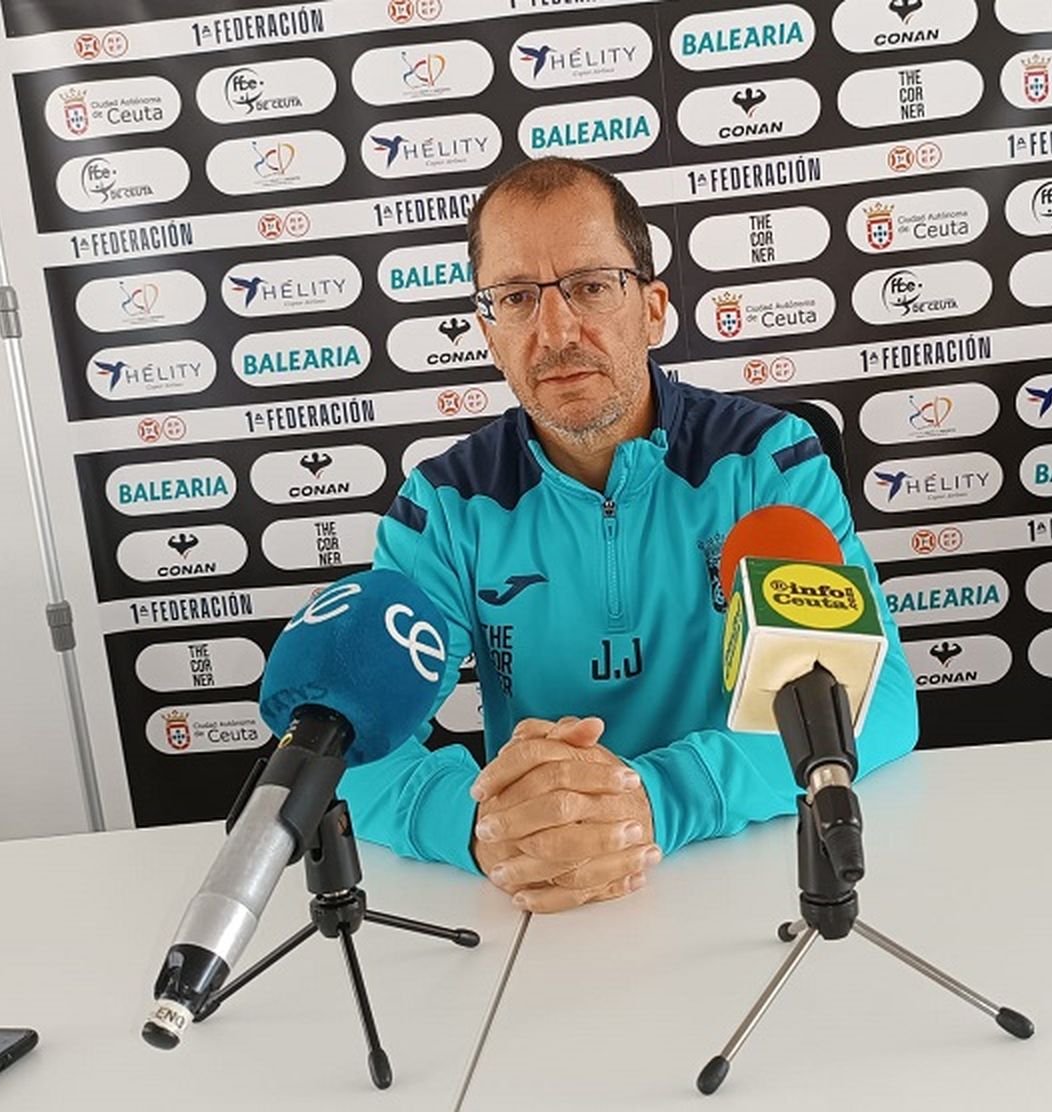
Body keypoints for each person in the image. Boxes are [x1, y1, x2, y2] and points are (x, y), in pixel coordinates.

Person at [338, 156, 918, 913]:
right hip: (549, 890)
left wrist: (659, 798)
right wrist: (477, 822)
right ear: (488, 329)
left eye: (589, 286)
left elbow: (878, 703)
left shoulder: (767, 461)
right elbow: (345, 742)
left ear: (651, 308)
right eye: (516, 297)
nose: (555, 331)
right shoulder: (444, 505)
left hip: (752, 867)